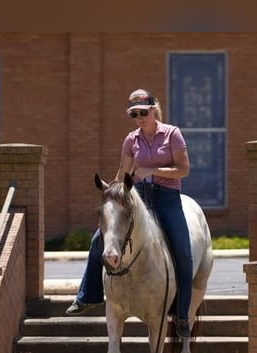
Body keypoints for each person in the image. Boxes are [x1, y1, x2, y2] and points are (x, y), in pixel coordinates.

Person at [65, 88, 194, 338]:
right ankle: (87, 296)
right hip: (139, 199)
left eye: (143, 112)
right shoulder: (131, 139)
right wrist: (111, 191)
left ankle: (181, 315)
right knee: (97, 239)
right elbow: (123, 173)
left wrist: (151, 170)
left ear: (153, 109)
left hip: (167, 199)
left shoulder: (172, 134)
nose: (139, 118)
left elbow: (184, 169)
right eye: (134, 114)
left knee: (184, 252)